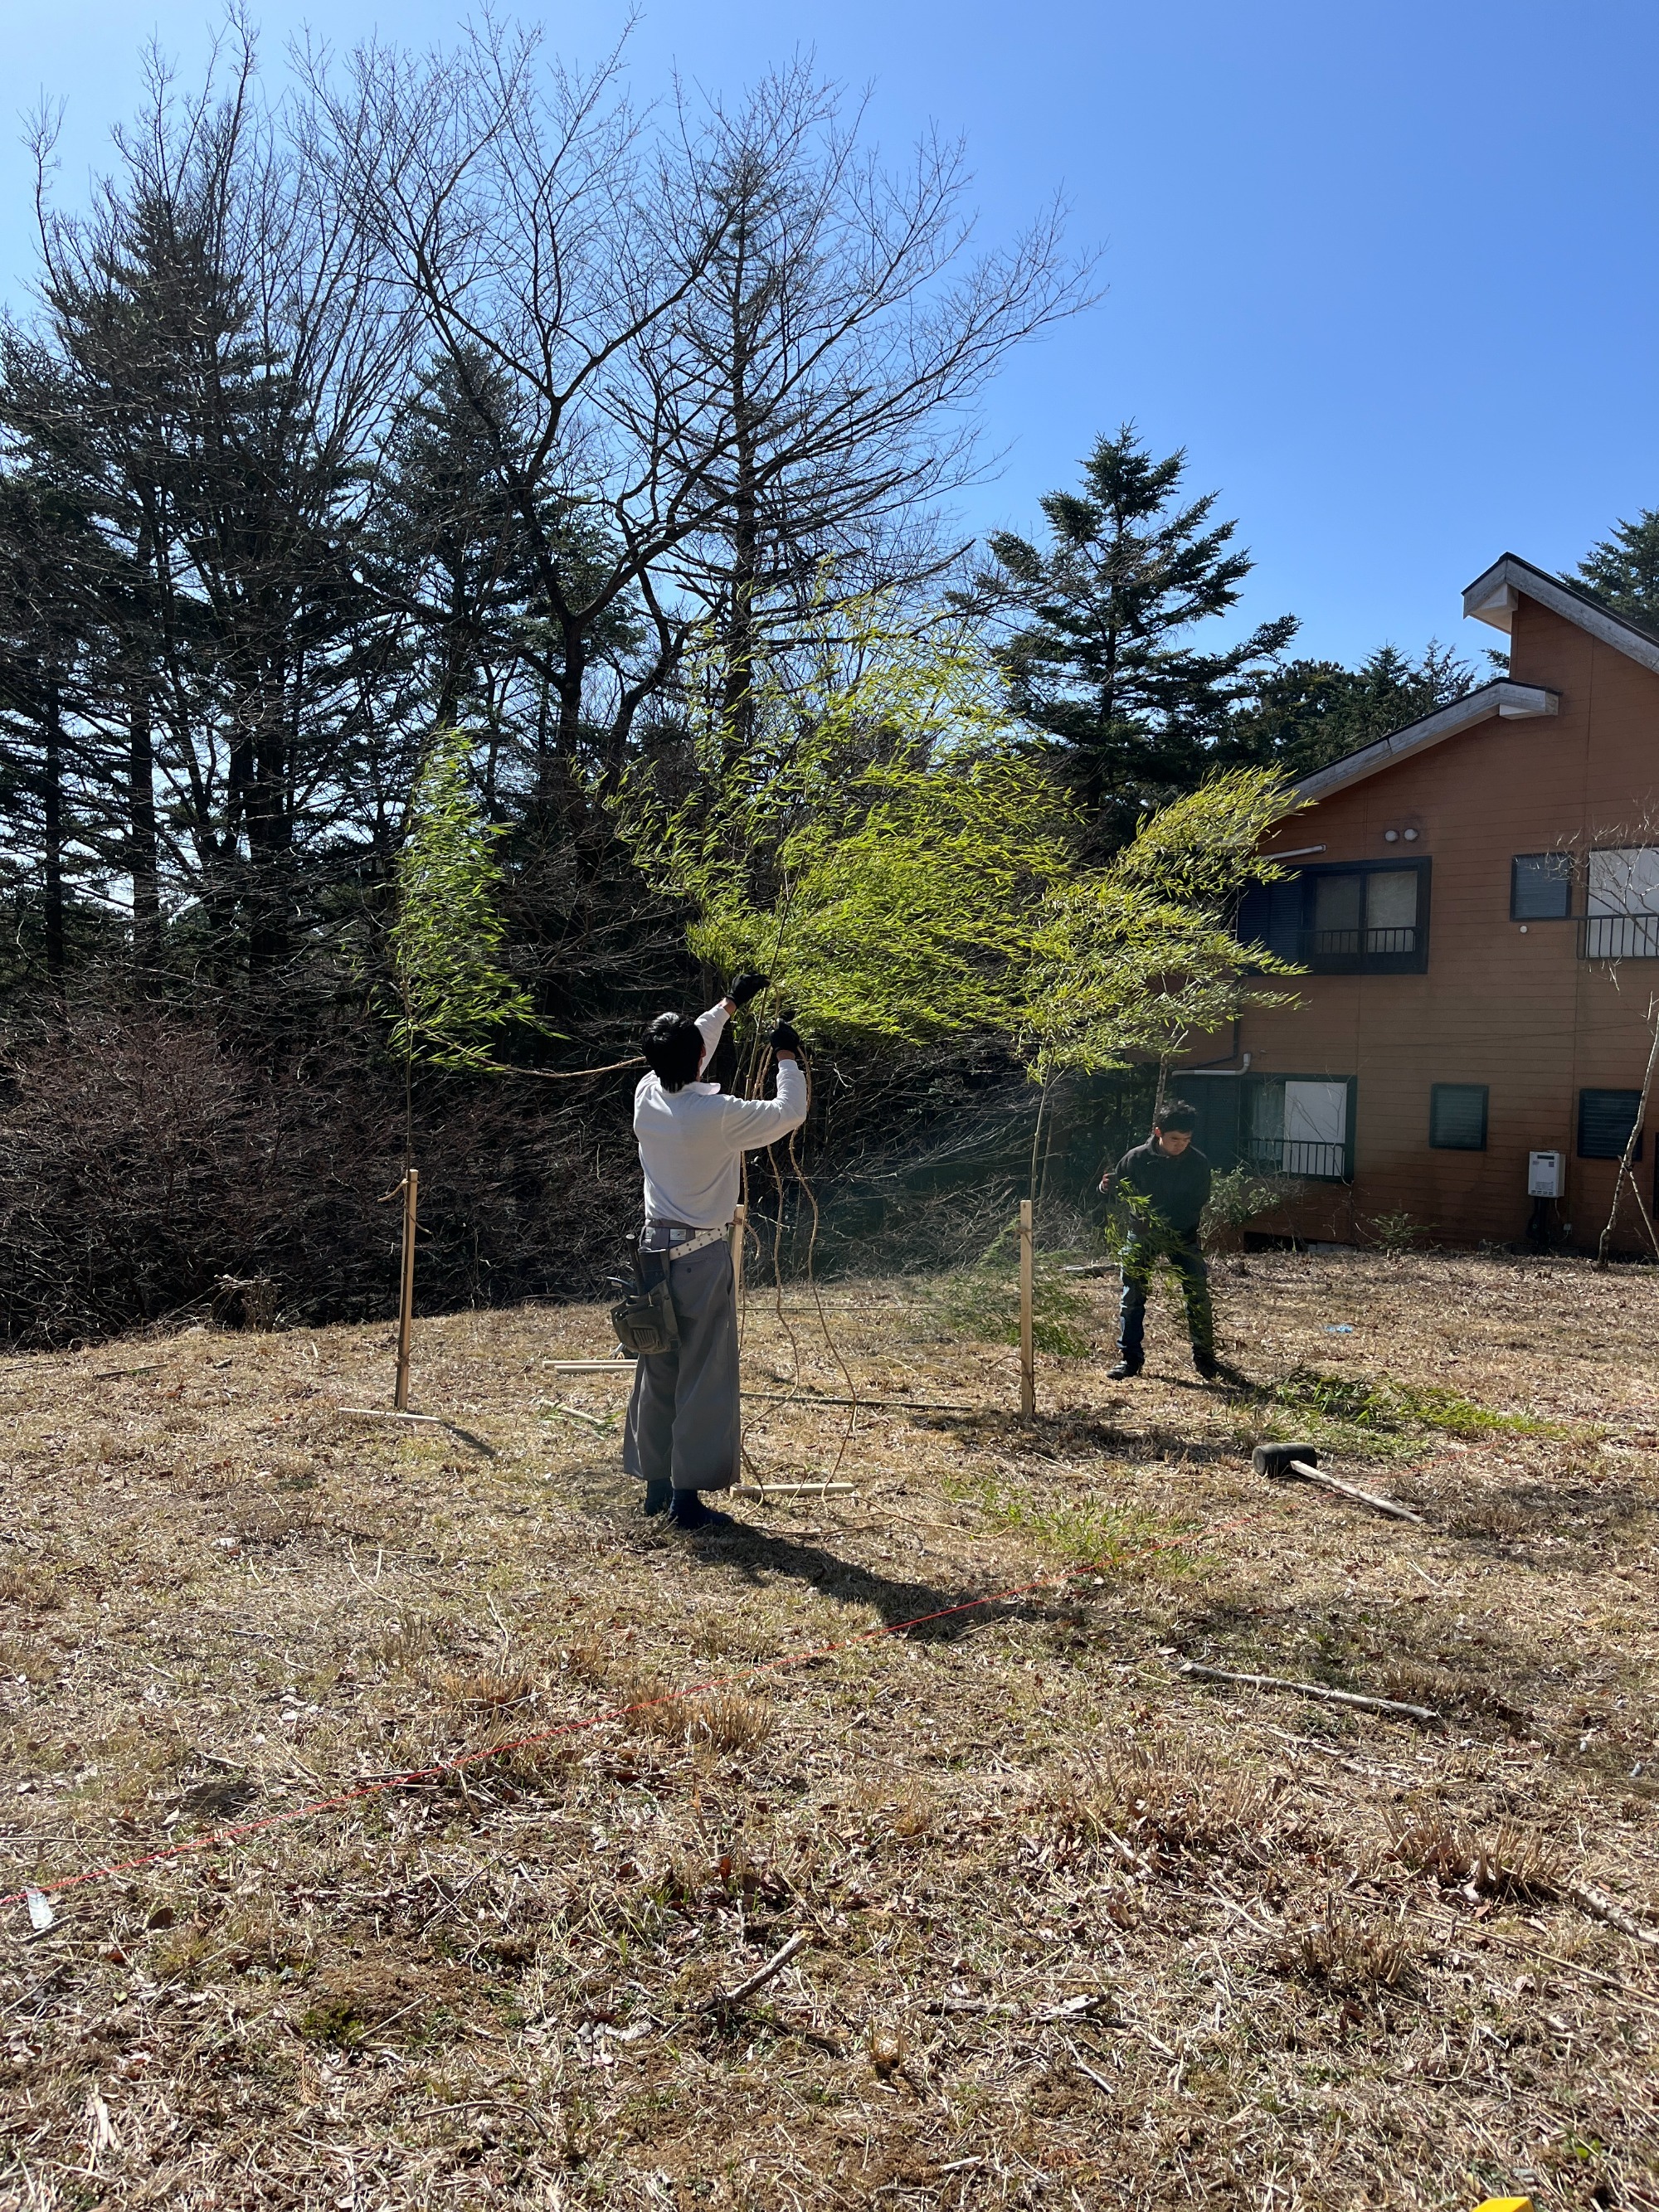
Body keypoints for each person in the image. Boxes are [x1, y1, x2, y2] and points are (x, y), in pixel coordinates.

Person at [622, 975, 809, 1531]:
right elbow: (788, 1111)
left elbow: (688, 1047)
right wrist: (787, 1057)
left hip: (652, 1252)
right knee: (703, 1373)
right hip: (701, 1258)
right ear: (697, 1060)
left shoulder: (646, 1095)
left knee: (658, 1367)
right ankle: (686, 1499)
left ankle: (656, 1487)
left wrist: (728, 1005)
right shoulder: (720, 1115)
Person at [1099, 1099, 1218, 1382]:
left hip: (1183, 1235)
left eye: (1186, 1140)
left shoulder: (1198, 1163)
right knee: (1132, 1296)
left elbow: (1198, 1201)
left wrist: (1167, 1219)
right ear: (1158, 1133)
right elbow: (1119, 1191)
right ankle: (1130, 1358)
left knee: (1197, 1295)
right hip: (1141, 1234)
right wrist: (1105, 1187)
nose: (1181, 1145)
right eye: (1175, 1139)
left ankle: (1204, 1357)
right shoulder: (1135, 1158)